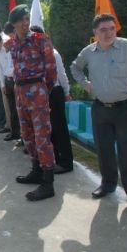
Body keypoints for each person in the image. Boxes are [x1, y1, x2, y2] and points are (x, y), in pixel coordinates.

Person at [71, 13, 127, 214]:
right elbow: (75, 68)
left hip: (125, 108)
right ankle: (107, 185)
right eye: (103, 30)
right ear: (95, 33)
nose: (108, 33)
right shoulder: (89, 52)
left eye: (112, 28)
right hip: (100, 109)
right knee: (104, 149)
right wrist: (86, 85)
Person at [5, 5, 57, 201]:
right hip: (20, 91)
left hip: (37, 91)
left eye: (27, 19)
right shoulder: (13, 44)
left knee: (42, 136)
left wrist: (44, 92)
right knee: (27, 135)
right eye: (21, 20)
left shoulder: (40, 40)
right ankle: (36, 170)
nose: (25, 23)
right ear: (13, 24)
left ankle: (48, 182)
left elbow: (51, 70)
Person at [30, 25, 73, 174]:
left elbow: (62, 75)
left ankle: (66, 162)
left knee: (60, 128)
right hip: (41, 94)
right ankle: (54, 159)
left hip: (54, 92)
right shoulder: (33, 54)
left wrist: (67, 92)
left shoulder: (53, 53)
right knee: (49, 128)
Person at [0, 30, 21, 142]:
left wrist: (10, 77)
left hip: (15, 81)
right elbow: (1, 70)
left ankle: (22, 136)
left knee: (18, 109)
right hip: (7, 82)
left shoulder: (9, 46)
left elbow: (14, 66)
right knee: (11, 108)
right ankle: (15, 133)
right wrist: (2, 84)